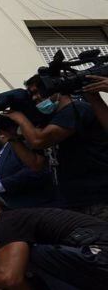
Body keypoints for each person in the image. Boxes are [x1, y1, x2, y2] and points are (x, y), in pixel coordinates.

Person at [9, 78, 108, 219]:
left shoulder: (76, 109)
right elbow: (36, 163)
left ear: (54, 88)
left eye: (38, 91)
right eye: (31, 95)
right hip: (72, 200)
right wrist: (12, 137)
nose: (35, 98)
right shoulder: (48, 121)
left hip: (98, 198)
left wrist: (21, 118)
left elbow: (38, 140)